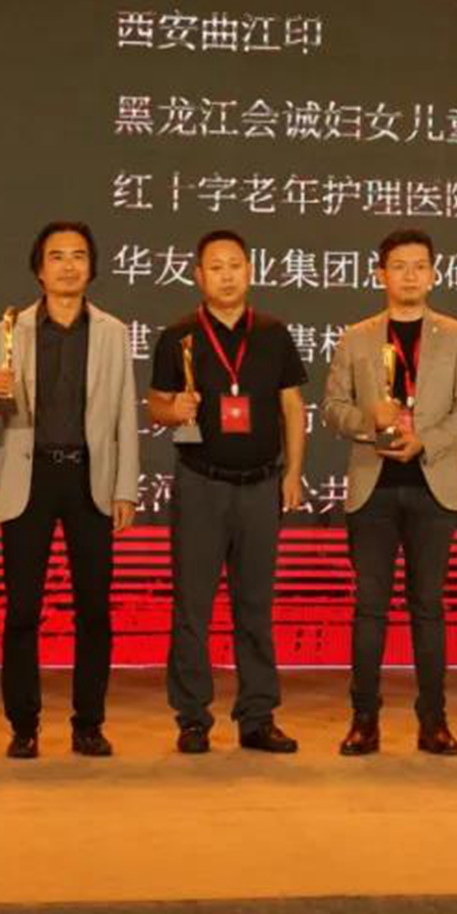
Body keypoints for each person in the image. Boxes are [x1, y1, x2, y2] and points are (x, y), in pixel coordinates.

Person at [0, 221, 138, 760]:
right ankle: (23, 725)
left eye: (78, 256)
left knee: (94, 609)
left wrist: (125, 488)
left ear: (92, 267)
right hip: (31, 478)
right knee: (23, 609)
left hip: (90, 478)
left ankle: (88, 724)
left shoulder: (112, 332)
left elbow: (125, 413)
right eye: (57, 256)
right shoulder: (9, 329)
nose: (68, 265)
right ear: (39, 270)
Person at [322, 228, 457, 757]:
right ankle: (363, 720)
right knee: (370, 607)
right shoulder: (356, 337)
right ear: (380, 275)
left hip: (433, 486)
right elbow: (332, 408)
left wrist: (426, 441)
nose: (410, 275)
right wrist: (369, 421)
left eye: (419, 266)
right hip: (373, 489)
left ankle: (433, 721)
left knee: (428, 607)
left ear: (433, 274)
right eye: (399, 266)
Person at [148, 230, 307, 754]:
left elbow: (292, 408)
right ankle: (193, 718)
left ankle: (257, 716)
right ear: (198, 276)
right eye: (215, 267)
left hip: (261, 485)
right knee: (192, 607)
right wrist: (174, 411)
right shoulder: (179, 336)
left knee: (255, 605)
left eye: (235, 265)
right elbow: (156, 404)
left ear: (250, 271)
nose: (226, 275)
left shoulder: (274, 333)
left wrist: (292, 473)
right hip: (201, 484)